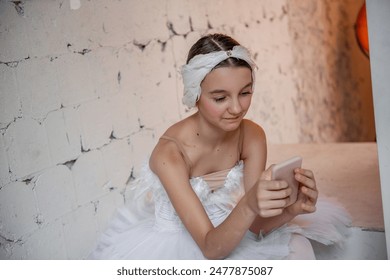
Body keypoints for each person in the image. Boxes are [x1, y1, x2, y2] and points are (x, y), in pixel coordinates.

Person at [89, 33, 350, 260]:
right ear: (195, 95)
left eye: (245, 93)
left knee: (297, 246)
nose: (237, 109)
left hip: (229, 230)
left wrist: (291, 209)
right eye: (220, 97)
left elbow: (254, 227)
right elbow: (211, 248)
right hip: (189, 245)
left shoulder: (252, 135)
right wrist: (249, 203)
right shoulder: (170, 154)